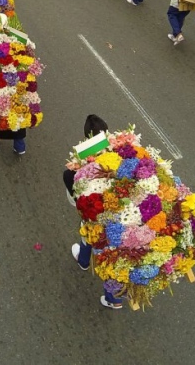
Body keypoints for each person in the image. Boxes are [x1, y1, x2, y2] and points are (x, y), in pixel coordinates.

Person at [65, 115, 123, 309]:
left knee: (94, 241)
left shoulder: (74, 170)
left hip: (97, 217)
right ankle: (111, 297)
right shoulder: (122, 153)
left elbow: (74, 198)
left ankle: (85, 262)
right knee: (110, 253)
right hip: (121, 215)